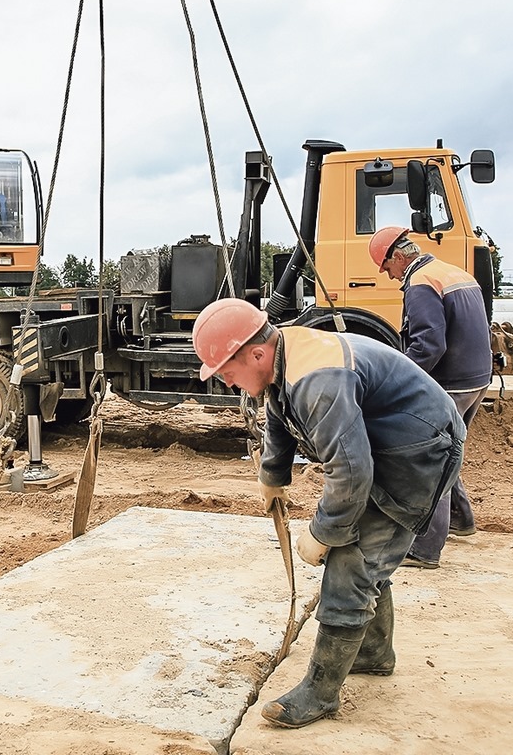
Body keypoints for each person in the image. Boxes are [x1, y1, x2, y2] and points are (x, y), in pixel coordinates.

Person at [192, 298, 465, 729]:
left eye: (228, 372)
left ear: (257, 354)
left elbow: (352, 473)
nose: (227, 383)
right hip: (392, 442)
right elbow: (280, 413)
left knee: (351, 564)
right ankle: (373, 654)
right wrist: (273, 474)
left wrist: (323, 532)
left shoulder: (318, 379)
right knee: (367, 560)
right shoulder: (284, 356)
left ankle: (321, 693)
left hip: (419, 453)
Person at [369, 226, 493, 569]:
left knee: (428, 461)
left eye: (386, 268)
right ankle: (460, 519)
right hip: (476, 380)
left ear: (398, 257)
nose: (390, 276)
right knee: (449, 450)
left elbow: (428, 345)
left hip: (451, 384)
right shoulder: (452, 271)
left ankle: (425, 549)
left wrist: (399, 380)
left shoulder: (421, 283)